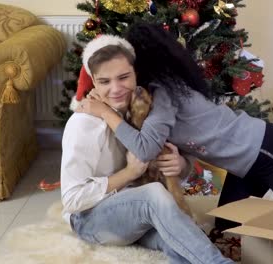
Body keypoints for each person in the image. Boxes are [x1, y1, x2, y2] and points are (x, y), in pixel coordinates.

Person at [76, 21, 273, 232]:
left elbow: (145, 149)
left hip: (271, 150)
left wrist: (105, 112)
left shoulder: (164, 92)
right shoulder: (155, 94)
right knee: (225, 228)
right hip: (243, 167)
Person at [61, 34, 233, 264]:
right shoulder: (83, 124)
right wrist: (129, 174)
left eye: (123, 77)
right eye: (105, 82)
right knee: (153, 195)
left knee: (181, 242)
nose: (116, 89)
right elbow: (72, 200)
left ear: (136, 75)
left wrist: (181, 165)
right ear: (93, 83)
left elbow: (177, 156)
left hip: (132, 214)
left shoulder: (140, 111)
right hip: (90, 221)